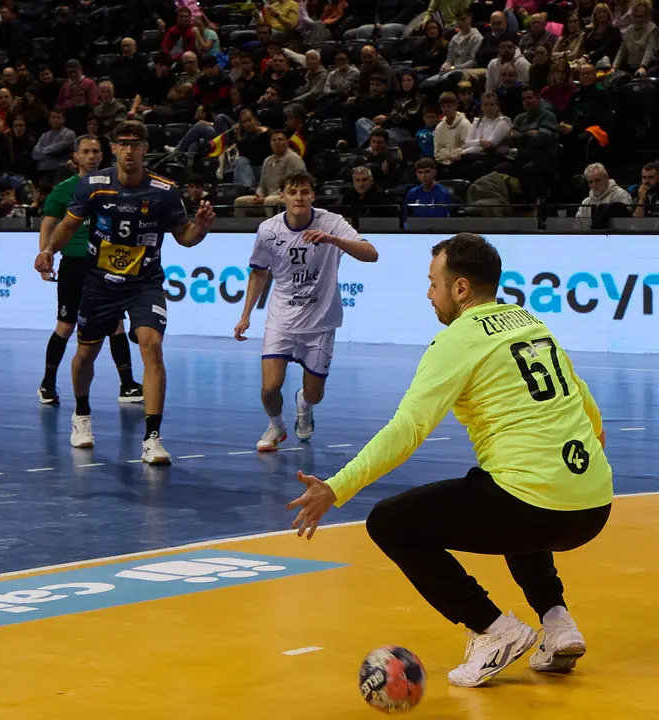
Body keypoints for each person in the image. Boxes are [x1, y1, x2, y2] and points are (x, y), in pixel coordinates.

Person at [287, 233, 612, 688]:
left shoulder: (458, 340)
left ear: (460, 289)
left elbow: (406, 431)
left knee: (391, 522)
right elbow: (591, 414)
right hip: (595, 506)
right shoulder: (532, 323)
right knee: (511, 493)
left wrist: (337, 487)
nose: (428, 294)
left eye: (433, 283)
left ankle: (494, 629)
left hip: (534, 506)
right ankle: (557, 625)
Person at [35, 120, 216, 464]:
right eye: (123, 143)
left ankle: (152, 437)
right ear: (114, 148)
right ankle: (82, 415)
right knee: (86, 353)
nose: (129, 149)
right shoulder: (93, 186)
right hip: (99, 283)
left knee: (152, 344)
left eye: (136, 143)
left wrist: (202, 229)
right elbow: (68, 225)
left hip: (144, 283)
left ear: (145, 148)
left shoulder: (165, 191)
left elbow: (185, 237)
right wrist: (48, 251)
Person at [235, 170, 379, 451]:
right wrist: (245, 316)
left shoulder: (332, 222)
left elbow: (371, 253)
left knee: (314, 393)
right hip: (282, 319)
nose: (298, 197)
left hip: (320, 321)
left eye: (304, 192)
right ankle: (276, 426)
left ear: (312, 195)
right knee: (269, 387)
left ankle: (304, 405)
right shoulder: (269, 230)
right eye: (292, 192)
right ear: (282, 196)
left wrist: (333, 240)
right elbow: (258, 273)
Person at [37, 134, 143, 405]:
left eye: (96, 151)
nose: (92, 156)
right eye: (86, 151)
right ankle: (48, 383)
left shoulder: (114, 186)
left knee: (116, 323)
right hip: (74, 262)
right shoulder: (63, 190)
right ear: (75, 157)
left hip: (106, 263)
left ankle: (128, 385)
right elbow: (49, 225)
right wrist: (45, 254)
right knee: (66, 324)